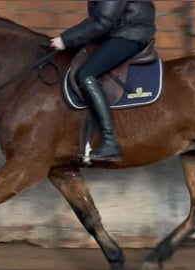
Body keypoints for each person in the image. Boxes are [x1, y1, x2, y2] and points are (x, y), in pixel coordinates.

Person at [50, 0, 156, 162]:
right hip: (120, 30)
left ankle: (109, 143)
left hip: (129, 33)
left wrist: (65, 40)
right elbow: (99, 19)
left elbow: (104, 21)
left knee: (86, 74)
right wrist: (71, 38)